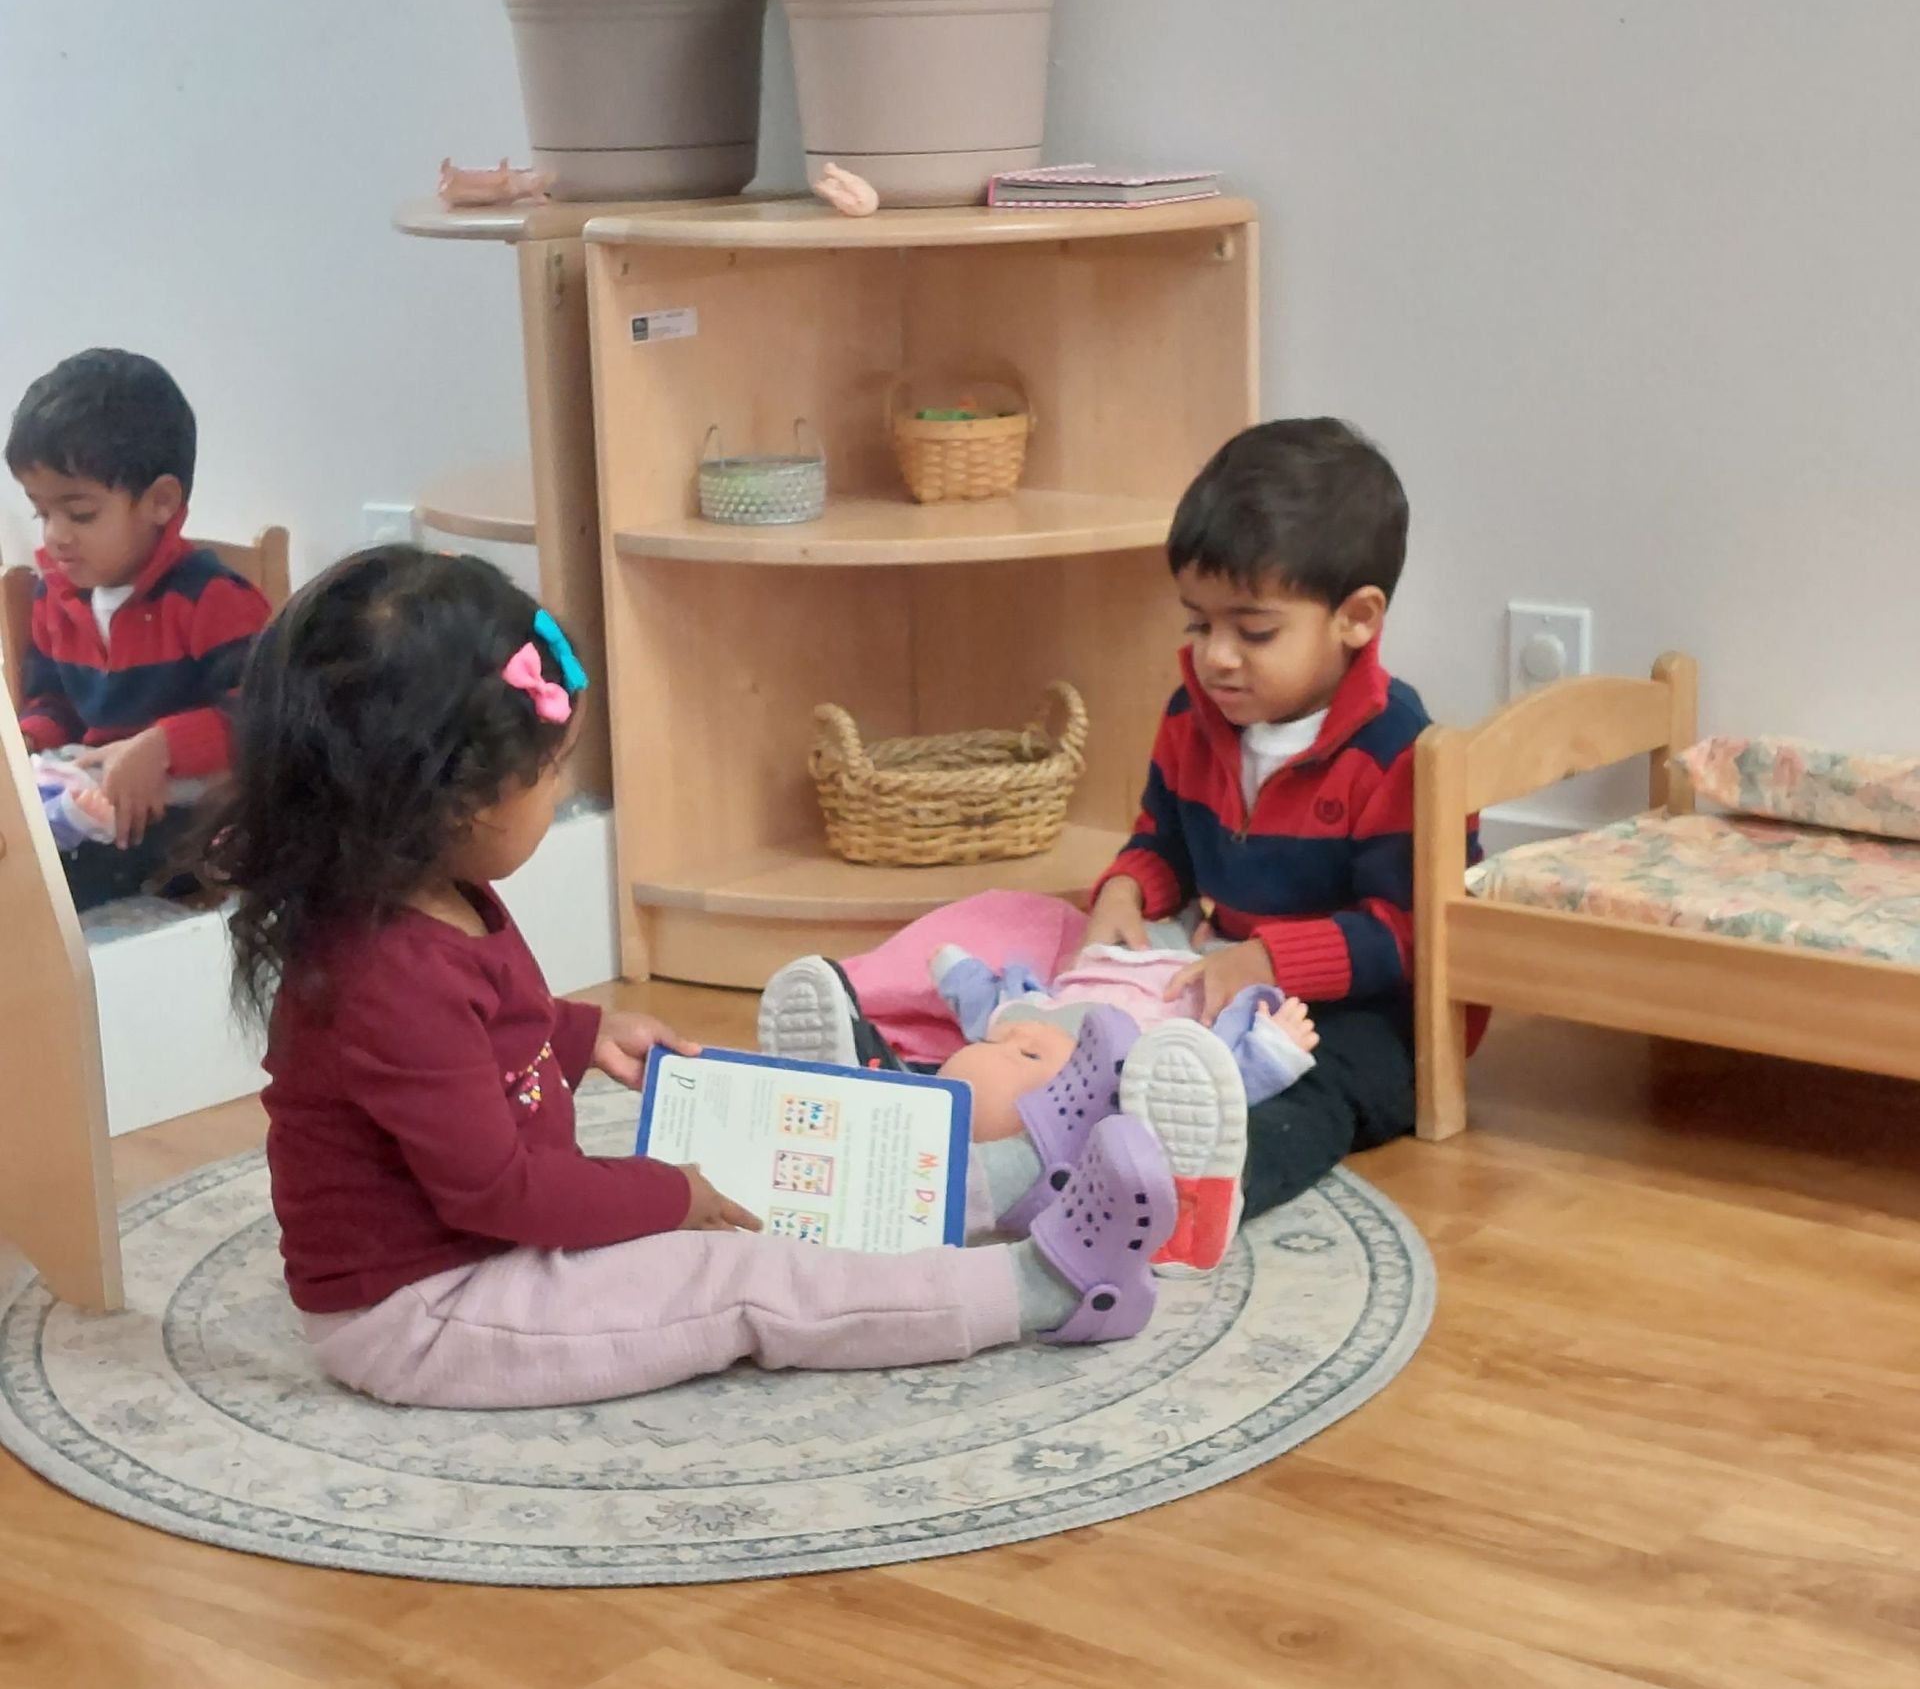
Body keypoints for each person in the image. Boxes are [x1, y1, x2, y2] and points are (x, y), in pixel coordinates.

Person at [217, 547, 1207, 1413]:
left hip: (497, 1243)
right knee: (743, 1271)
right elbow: (502, 1192)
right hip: (431, 1309)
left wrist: (579, 1035)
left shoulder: (434, 894)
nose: (560, 792)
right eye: (552, 772)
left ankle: (1027, 1175)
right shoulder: (384, 973)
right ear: (448, 801)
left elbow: (482, 1031)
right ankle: (1049, 1288)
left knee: (780, 1170)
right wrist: (667, 1197)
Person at [761, 419, 1471, 1270]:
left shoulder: (1402, 750)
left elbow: (1408, 931)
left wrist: (1272, 965)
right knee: (1021, 923)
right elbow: (1160, 843)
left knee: (1325, 1091)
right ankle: (870, 1037)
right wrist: (1127, 892)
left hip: (1342, 1014)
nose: (1216, 658)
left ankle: (1198, 1186)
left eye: (1254, 631)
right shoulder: (1196, 718)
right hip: (1196, 970)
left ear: (1356, 619)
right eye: (1200, 623)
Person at [5, 348, 271, 910]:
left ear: (160, 502)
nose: (55, 536)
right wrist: (28, 739)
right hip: (94, 794)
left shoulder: (213, 599)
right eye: (40, 512)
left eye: (80, 515)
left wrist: (163, 746)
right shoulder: (54, 594)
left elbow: (266, 716)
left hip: (187, 813)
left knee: (41, 890)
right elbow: (54, 699)